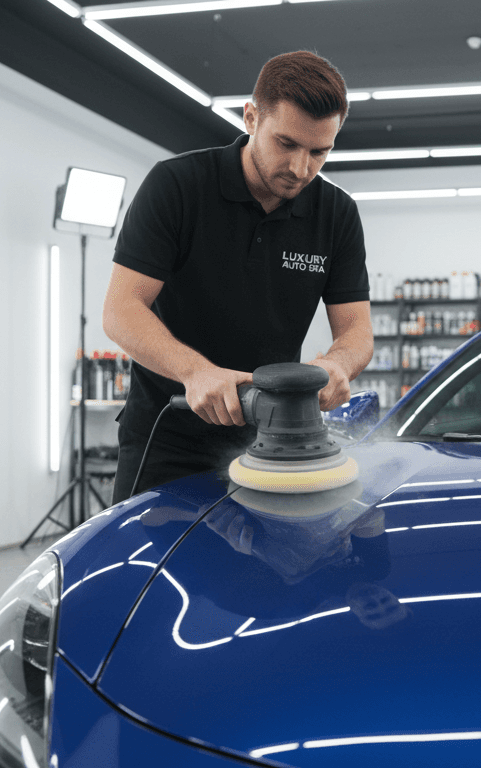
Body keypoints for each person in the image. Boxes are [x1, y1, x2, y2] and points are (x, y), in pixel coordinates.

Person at [102, 51, 372, 503]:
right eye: (286, 144)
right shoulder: (177, 186)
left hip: (274, 443)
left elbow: (357, 330)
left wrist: (337, 365)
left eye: (319, 151)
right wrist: (197, 372)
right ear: (251, 117)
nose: (301, 168)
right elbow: (121, 310)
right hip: (167, 436)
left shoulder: (337, 214)